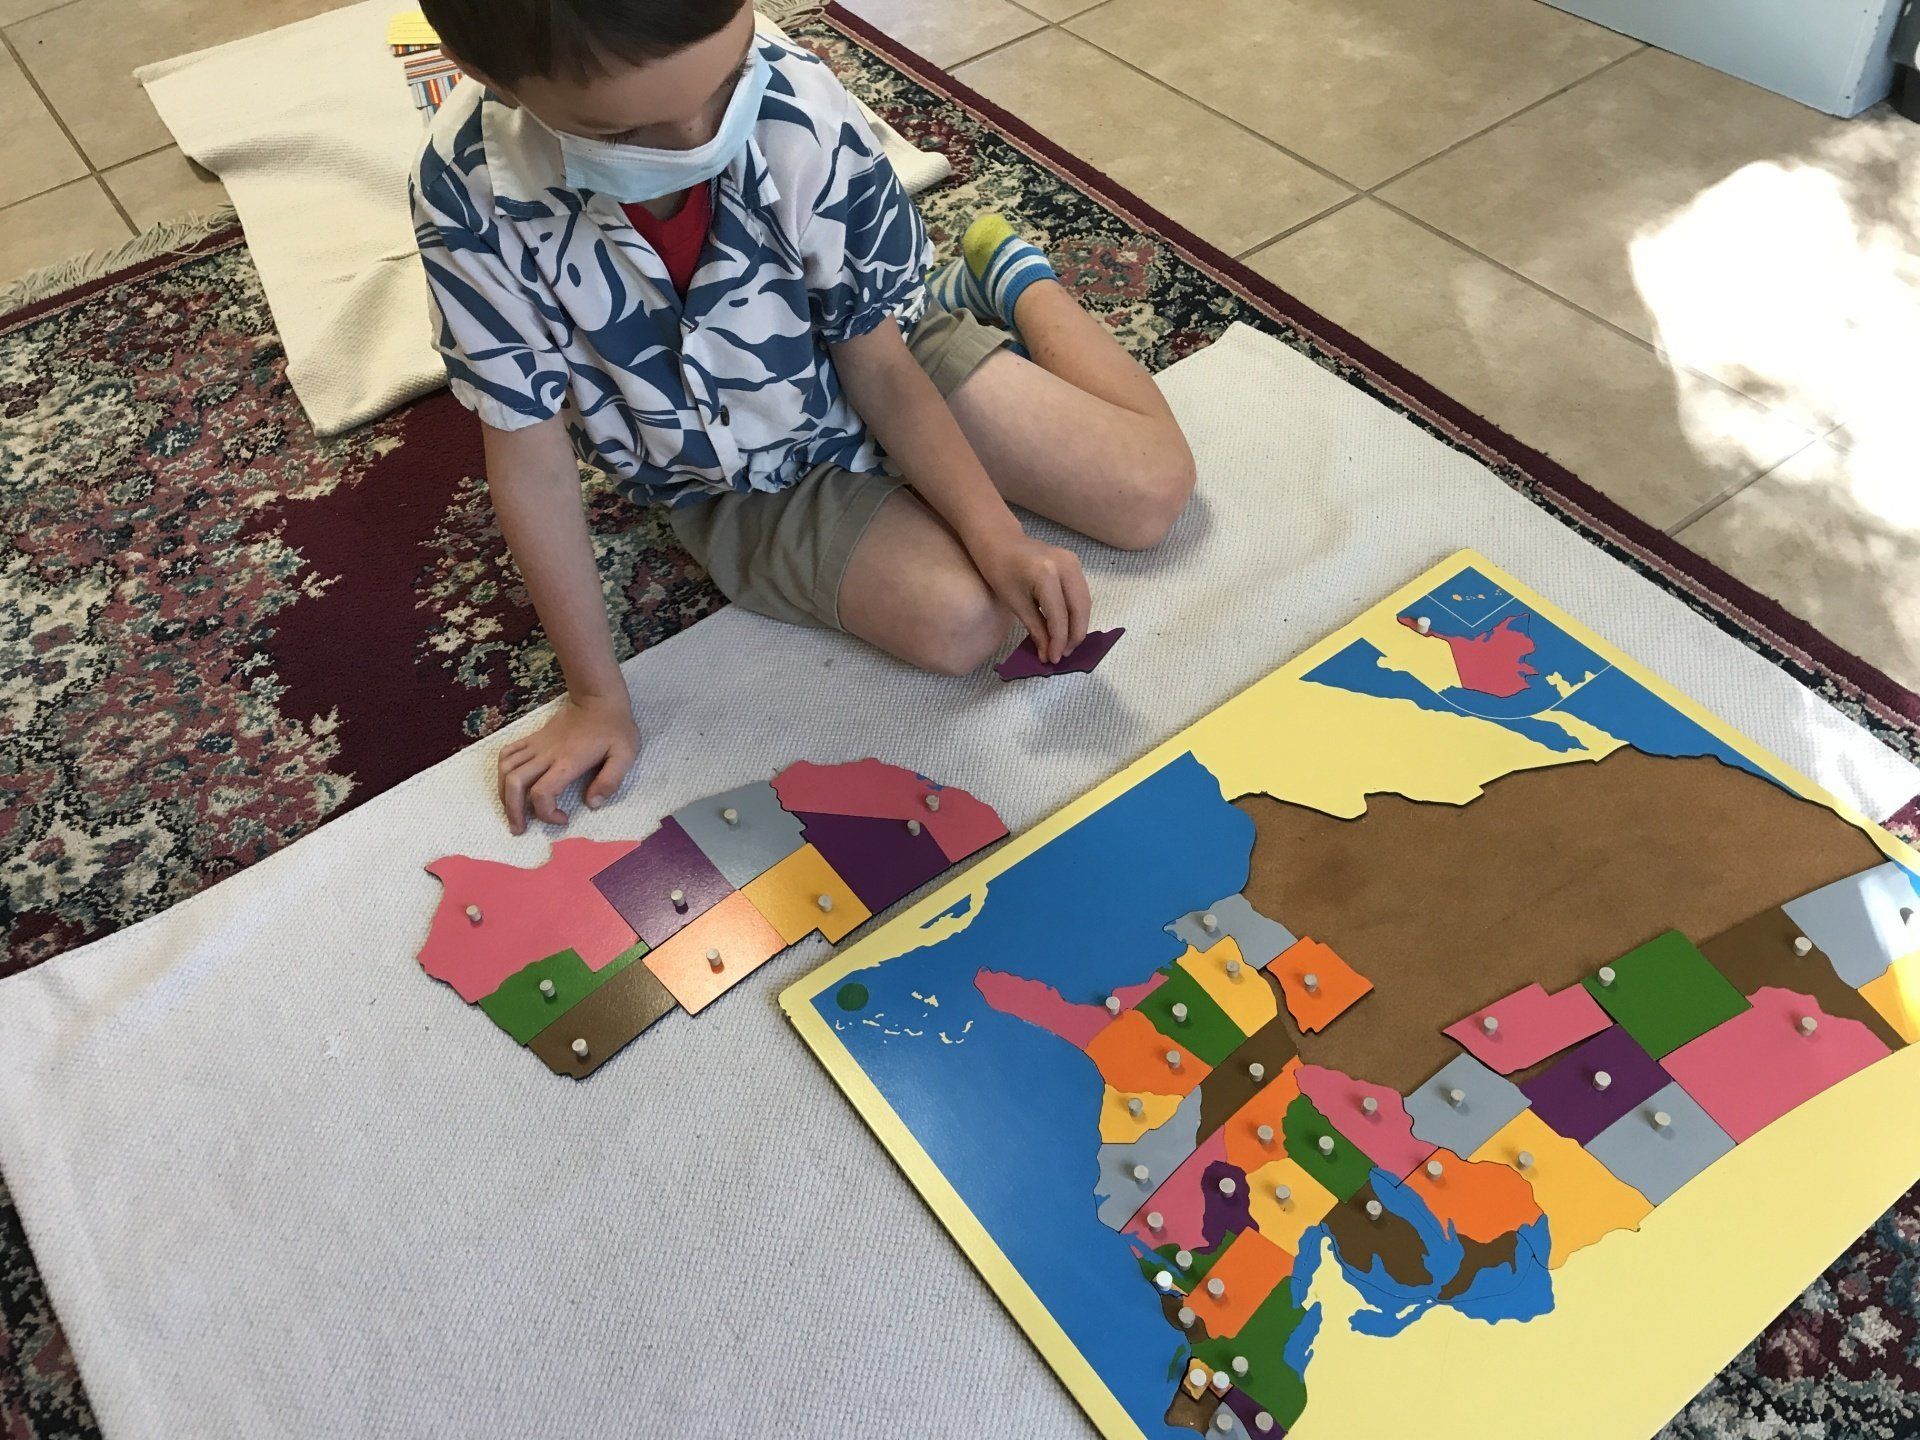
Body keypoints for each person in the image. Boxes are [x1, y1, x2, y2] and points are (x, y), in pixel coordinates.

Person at [411, 0, 1195, 833]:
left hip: (876, 353)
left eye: (724, 79)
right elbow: (529, 461)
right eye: (625, 128)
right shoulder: (469, 194)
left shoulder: (801, 106)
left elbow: (880, 364)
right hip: (728, 477)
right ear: (492, 79)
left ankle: (1015, 281)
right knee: (961, 621)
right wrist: (597, 695)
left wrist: (998, 532)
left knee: (1151, 493)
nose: (695, 138)